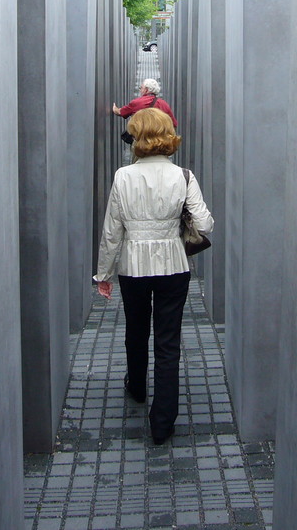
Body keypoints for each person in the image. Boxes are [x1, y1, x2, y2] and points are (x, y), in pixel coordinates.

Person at [93, 108, 213, 445]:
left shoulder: (122, 176)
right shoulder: (183, 176)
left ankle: (137, 387)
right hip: (174, 266)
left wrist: (104, 273)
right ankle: (162, 422)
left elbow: (112, 231)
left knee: (136, 327)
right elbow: (204, 224)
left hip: (133, 266)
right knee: (168, 341)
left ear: (136, 136)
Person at [112, 78, 178, 129]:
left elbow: (120, 112)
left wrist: (114, 108)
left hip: (142, 141)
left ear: (146, 90)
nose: (140, 90)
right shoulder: (164, 104)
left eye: (141, 88)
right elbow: (173, 124)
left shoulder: (137, 102)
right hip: (159, 142)